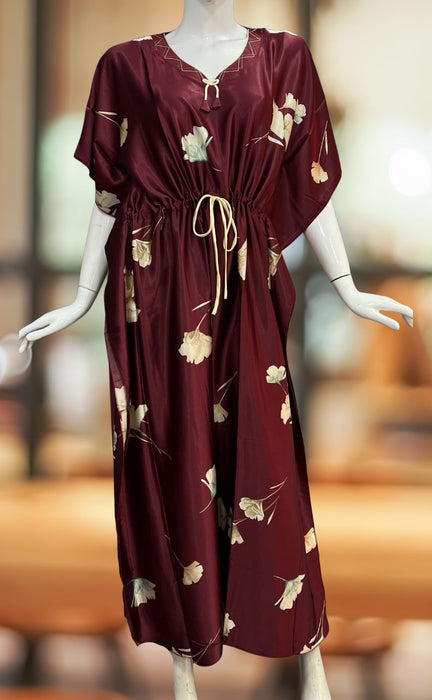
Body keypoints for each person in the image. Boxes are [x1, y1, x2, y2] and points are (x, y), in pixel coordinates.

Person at [19, 2, 413, 698]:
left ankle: (307, 655)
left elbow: (308, 179)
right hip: (156, 284)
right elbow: (110, 195)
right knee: (172, 457)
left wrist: (348, 287)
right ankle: (183, 665)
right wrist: (81, 295)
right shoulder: (126, 65)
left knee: (268, 459)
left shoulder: (283, 57)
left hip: (246, 279)